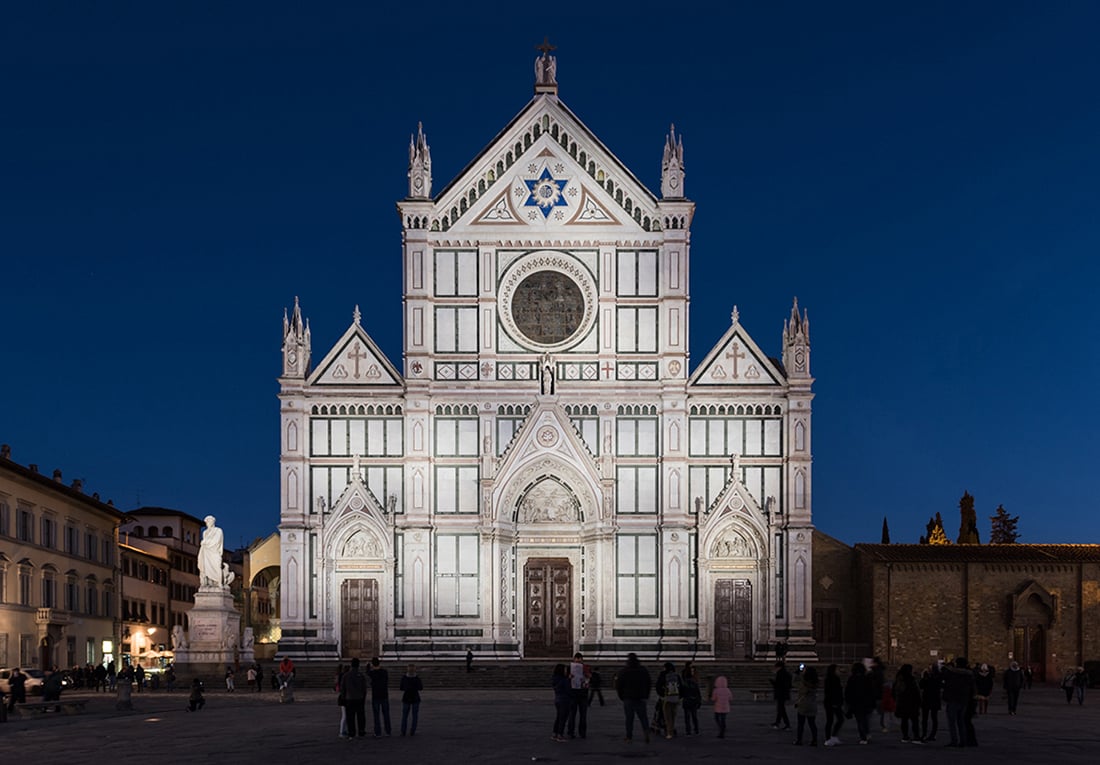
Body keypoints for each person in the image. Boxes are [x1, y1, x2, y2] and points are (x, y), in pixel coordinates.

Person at [615, 653, 651, 743]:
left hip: (628, 697)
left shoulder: (624, 671)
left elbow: (619, 685)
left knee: (629, 718)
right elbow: (649, 682)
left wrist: (621, 696)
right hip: (640, 697)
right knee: (643, 717)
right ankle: (646, 733)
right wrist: (646, 694)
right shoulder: (643, 670)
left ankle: (629, 737)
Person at [942, 657, 976, 747]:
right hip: (964, 699)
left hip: (953, 699)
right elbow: (973, 687)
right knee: (961, 721)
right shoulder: (969, 674)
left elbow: (945, 681)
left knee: (952, 722)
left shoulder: (952, 673)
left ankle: (954, 740)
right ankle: (963, 740)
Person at [844, 661, 874, 744]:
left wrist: (848, 702)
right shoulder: (866, 678)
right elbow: (871, 690)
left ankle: (863, 737)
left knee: (860, 721)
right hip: (866, 702)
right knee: (866, 719)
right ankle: (867, 734)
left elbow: (848, 692)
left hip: (856, 703)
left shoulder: (852, 678)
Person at [892, 664, 921, 743]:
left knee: (904, 720)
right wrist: (919, 701)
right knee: (914, 720)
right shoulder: (911, 679)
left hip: (902, 702)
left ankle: (905, 736)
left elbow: (894, 691)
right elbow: (916, 692)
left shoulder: (899, 679)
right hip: (912, 702)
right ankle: (916, 737)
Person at [340, 658, 368, 738]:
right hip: (359, 699)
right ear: (358, 665)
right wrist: (363, 697)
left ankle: (351, 733)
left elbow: (343, 689)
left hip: (349, 699)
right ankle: (361, 731)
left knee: (350, 717)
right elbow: (364, 688)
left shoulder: (346, 675)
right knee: (361, 716)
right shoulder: (361, 675)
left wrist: (343, 698)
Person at [794, 665, 819, 746]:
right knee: (812, 724)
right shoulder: (815, 683)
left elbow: (794, 683)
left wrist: (797, 673)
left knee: (801, 724)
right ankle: (814, 740)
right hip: (812, 704)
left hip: (803, 705)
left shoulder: (803, 683)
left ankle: (799, 740)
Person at [198, 515, 226, 587]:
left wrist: (205, 542)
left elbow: (216, 541)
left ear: (213, 521)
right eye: (206, 522)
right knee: (205, 568)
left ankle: (219, 582)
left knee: (217, 566)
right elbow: (204, 542)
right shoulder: (205, 532)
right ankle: (208, 582)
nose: (207, 523)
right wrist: (204, 543)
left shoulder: (218, 530)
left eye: (209, 521)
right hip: (205, 553)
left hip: (214, 552)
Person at [656, 661, 682, 739]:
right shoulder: (676, 676)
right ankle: (672, 729)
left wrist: (662, 695)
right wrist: (680, 696)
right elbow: (681, 686)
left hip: (667, 698)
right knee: (673, 715)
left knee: (667, 716)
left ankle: (669, 733)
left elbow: (658, 686)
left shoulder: (663, 675)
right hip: (675, 698)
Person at [566, 652, 589, 739]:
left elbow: (590, 678)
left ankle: (582, 732)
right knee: (572, 714)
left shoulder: (586, 667)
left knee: (583, 715)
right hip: (573, 693)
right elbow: (565, 680)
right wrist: (569, 677)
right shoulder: (569, 668)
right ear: (574, 659)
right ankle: (570, 732)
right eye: (577, 660)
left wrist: (587, 677)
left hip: (583, 693)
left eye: (580, 660)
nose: (578, 661)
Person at [367, 656, 392, 736]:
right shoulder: (384, 672)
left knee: (376, 715)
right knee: (386, 714)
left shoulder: (372, 673)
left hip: (376, 696)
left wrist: (368, 666)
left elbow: (367, 672)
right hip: (384, 695)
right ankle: (388, 731)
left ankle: (378, 732)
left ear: (372, 664)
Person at [919, 664, 942, 742]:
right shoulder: (939, 677)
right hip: (935, 699)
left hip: (927, 699)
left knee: (926, 718)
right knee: (933, 718)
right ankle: (932, 734)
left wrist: (923, 677)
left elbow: (921, 685)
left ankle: (924, 734)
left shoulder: (928, 678)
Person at [822, 664, 844, 746]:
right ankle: (829, 738)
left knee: (834, 720)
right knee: (832, 720)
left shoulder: (832, 678)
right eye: (837, 669)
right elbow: (832, 692)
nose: (839, 671)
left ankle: (832, 737)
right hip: (832, 702)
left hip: (831, 702)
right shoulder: (833, 679)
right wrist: (835, 702)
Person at [400, 664, 423, 736]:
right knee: (415, 716)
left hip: (406, 698)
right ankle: (412, 731)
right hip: (415, 698)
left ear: (407, 669)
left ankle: (403, 731)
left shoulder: (404, 678)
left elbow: (401, 688)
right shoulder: (417, 678)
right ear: (414, 670)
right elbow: (421, 688)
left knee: (404, 716)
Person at [769, 660, 792, 730]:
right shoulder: (787, 673)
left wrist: (772, 681)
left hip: (780, 693)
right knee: (780, 708)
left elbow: (778, 684)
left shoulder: (780, 673)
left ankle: (787, 724)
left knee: (781, 709)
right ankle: (777, 722)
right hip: (784, 693)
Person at [551, 663, 570, 742]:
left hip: (557, 699)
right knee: (563, 718)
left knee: (558, 717)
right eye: (565, 669)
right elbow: (568, 689)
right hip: (564, 699)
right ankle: (560, 735)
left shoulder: (555, 678)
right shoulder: (564, 680)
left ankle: (555, 733)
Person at [681, 663, 702, 736]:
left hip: (686, 701)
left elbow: (682, 693)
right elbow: (698, 693)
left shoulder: (684, 684)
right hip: (693, 701)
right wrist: (699, 701)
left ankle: (688, 731)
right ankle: (696, 730)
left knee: (687, 717)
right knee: (694, 716)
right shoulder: (695, 683)